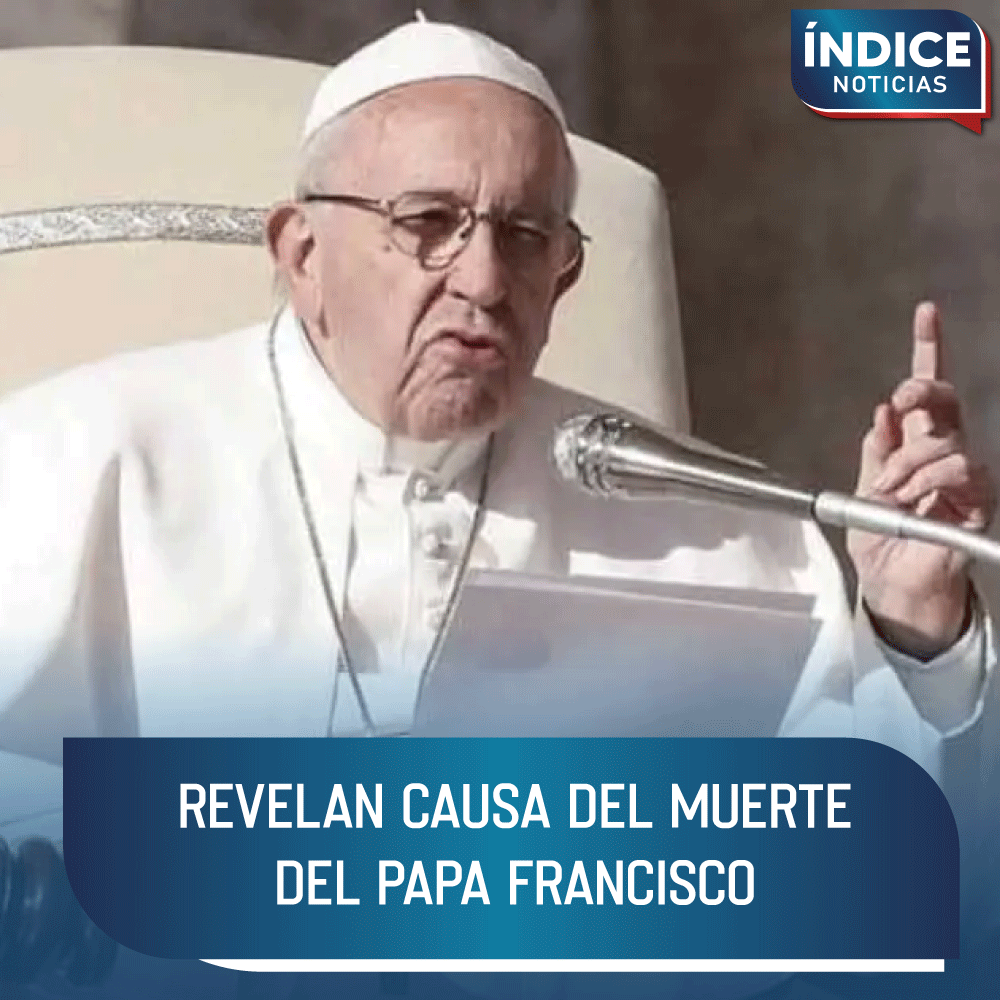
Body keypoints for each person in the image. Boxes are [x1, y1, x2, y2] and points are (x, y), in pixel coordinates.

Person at [0, 18, 992, 786]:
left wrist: (914, 630)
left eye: (524, 236)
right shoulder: (74, 463)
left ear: (564, 276)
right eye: (428, 221)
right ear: (302, 254)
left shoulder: (715, 533)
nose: (481, 281)